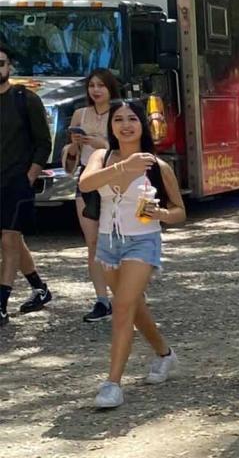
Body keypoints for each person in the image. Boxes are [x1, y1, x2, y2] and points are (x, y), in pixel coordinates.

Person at [77, 101, 186, 408]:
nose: (126, 125)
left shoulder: (157, 166)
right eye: (119, 119)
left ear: (143, 125)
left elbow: (180, 212)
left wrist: (160, 213)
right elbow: (86, 183)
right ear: (111, 126)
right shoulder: (102, 156)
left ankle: (112, 384)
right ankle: (165, 355)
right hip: (109, 242)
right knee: (134, 308)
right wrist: (124, 166)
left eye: (132, 119)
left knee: (122, 307)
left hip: (143, 241)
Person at [0, 44, 54, 327]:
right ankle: (40, 288)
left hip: (16, 183)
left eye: (1, 63)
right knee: (14, 241)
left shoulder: (25, 99)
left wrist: (29, 177)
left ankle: (1, 305)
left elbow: (43, 143)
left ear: (10, 66)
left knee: (8, 240)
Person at [62, 69, 122, 322]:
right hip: (87, 177)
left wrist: (103, 145)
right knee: (93, 243)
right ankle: (102, 300)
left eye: (101, 86)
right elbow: (69, 166)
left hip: (115, 176)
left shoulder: (121, 113)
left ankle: (127, 295)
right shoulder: (80, 114)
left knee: (119, 240)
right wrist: (75, 146)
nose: (96, 90)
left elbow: (127, 149)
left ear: (110, 89)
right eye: (92, 86)